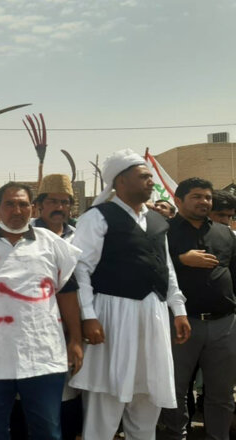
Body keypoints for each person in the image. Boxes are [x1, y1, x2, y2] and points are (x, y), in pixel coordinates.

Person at [68, 149, 191, 439]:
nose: (150, 182)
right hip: (112, 317)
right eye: (144, 176)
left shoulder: (159, 222)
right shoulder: (97, 217)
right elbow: (81, 270)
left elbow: (166, 268)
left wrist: (179, 309)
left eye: (150, 176)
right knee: (107, 402)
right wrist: (89, 316)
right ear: (120, 181)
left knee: (148, 397)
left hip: (154, 317)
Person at [0, 182, 83, 439]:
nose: (17, 210)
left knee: (46, 428)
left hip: (42, 352)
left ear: (33, 208)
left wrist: (76, 339)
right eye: (9, 204)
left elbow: (67, 294)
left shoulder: (53, 244)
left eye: (23, 204)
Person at [158, 178, 236, 439]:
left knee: (221, 393)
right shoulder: (162, 232)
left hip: (224, 324)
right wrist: (181, 260)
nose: (204, 201)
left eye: (207, 197)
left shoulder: (224, 233)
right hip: (180, 323)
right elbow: (152, 271)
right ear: (178, 200)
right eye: (196, 196)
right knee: (175, 391)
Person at [32, 174, 76, 240]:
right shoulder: (26, 234)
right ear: (39, 205)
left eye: (64, 202)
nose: (59, 208)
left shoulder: (77, 237)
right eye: (53, 202)